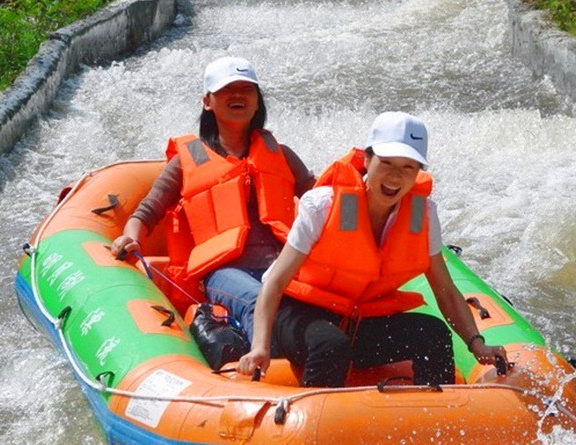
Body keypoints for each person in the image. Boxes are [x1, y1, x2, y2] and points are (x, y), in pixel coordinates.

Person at [237, 111, 509, 387]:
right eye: (387, 163)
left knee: (433, 333)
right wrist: (260, 345)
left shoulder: (424, 215)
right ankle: (322, 423)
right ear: (367, 160)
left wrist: (477, 345)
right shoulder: (322, 205)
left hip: (363, 323)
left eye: (408, 168)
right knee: (331, 344)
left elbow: (445, 291)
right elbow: (275, 281)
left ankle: (436, 416)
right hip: (301, 318)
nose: (395, 176)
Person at [110, 56, 315, 345]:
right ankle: (265, 373)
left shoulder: (282, 155)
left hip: (282, 264)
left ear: (257, 102)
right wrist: (130, 237)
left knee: (316, 304)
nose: (238, 95)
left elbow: (321, 203)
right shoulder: (188, 161)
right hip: (224, 271)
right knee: (260, 302)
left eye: (247, 89)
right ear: (208, 102)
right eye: (227, 90)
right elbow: (147, 210)